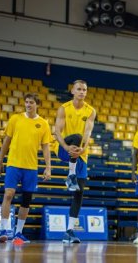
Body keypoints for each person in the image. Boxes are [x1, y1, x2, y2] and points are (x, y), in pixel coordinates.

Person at [0, 93, 52, 243]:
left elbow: (46, 147)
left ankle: (18, 233)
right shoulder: (15, 119)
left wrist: (48, 167)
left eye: (31, 102)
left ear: (37, 104)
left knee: (26, 200)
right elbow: (6, 141)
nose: (28, 105)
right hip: (13, 164)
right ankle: (4, 230)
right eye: (26, 102)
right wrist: (0, 160)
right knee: (8, 194)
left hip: (31, 167)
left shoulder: (44, 124)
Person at [54, 80, 96, 243]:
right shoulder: (64, 108)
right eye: (79, 89)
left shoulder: (90, 111)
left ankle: (69, 232)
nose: (82, 92)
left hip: (80, 153)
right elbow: (57, 131)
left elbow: (88, 132)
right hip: (63, 149)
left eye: (84, 90)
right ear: (72, 91)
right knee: (76, 136)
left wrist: (83, 149)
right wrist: (66, 147)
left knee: (79, 192)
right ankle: (70, 174)